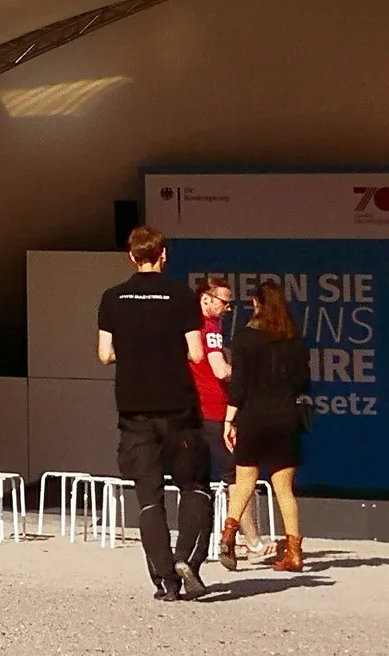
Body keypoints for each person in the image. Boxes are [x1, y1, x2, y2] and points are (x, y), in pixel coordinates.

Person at [96, 226, 213, 601]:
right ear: (163, 255)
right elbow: (196, 354)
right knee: (194, 487)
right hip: (178, 408)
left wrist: (132, 351)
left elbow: (104, 354)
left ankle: (165, 579)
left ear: (131, 256)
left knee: (149, 497)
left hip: (133, 410)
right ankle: (187, 560)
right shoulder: (181, 296)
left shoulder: (111, 298)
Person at [223, 280, 309, 573]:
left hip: (254, 418)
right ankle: (294, 553)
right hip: (285, 418)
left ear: (256, 304)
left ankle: (228, 538)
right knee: (284, 489)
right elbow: (303, 382)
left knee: (244, 481)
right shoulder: (294, 341)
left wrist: (228, 419)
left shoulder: (244, 339)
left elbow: (239, 386)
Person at [192, 279, 235, 532]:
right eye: (224, 302)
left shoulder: (189, 325)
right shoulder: (209, 327)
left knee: (198, 477)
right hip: (214, 407)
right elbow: (220, 370)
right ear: (206, 298)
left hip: (194, 407)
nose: (228, 309)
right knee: (237, 477)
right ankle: (245, 538)